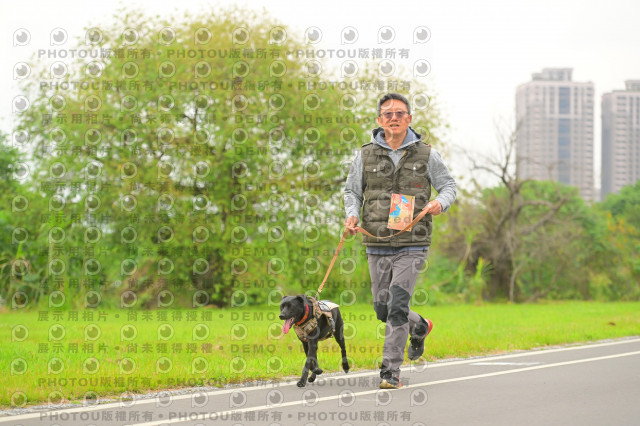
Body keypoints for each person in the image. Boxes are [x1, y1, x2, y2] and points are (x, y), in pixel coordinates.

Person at [344, 93, 457, 389]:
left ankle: (390, 372)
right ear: (379, 120)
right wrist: (352, 215)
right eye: (388, 113)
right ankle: (420, 326)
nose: (393, 118)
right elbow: (352, 192)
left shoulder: (427, 154)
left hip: (413, 241)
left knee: (397, 304)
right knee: (382, 309)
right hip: (376, 241)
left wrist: (440, 203)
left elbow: (448, 185)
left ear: (409, 119)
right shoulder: (364, 155)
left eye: (399, 113)